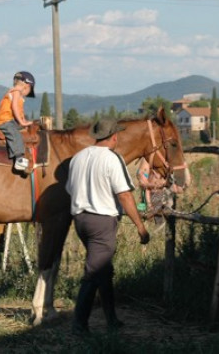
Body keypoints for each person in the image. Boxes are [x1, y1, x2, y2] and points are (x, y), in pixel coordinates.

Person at [66, 118, 150, 334]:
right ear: (114, 136)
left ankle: (111, 318)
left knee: (103, 270)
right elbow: (124, 195)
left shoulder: (77, 158)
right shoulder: (113, 159)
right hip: (101, 222)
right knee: (94, 272)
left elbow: (70, 189)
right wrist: (140, 226)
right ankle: (79, 324)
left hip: (80, 219)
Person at [0, 71, 36, 172]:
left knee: (22, 131)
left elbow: (20, 113)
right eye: (30, 90)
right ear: (26, 86)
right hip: (4, 121)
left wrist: (25, 123)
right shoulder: (15, 92)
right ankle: (19, 159)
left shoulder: (18, 95)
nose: (28, 93)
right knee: (15, 133)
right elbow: (14, 108)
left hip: (10, 120)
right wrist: (22, 123)